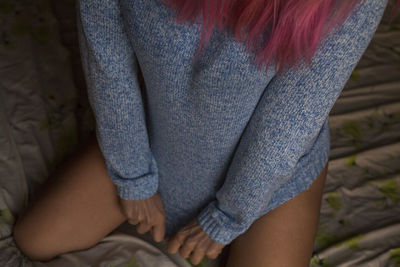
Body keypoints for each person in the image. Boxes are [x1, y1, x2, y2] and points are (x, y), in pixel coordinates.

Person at [12, 0, 396, 266]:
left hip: (272, 182)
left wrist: (227, 218)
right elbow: (106, 57)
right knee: (35, 238)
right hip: (157, 136)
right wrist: (133, 176)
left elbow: (284, 130)